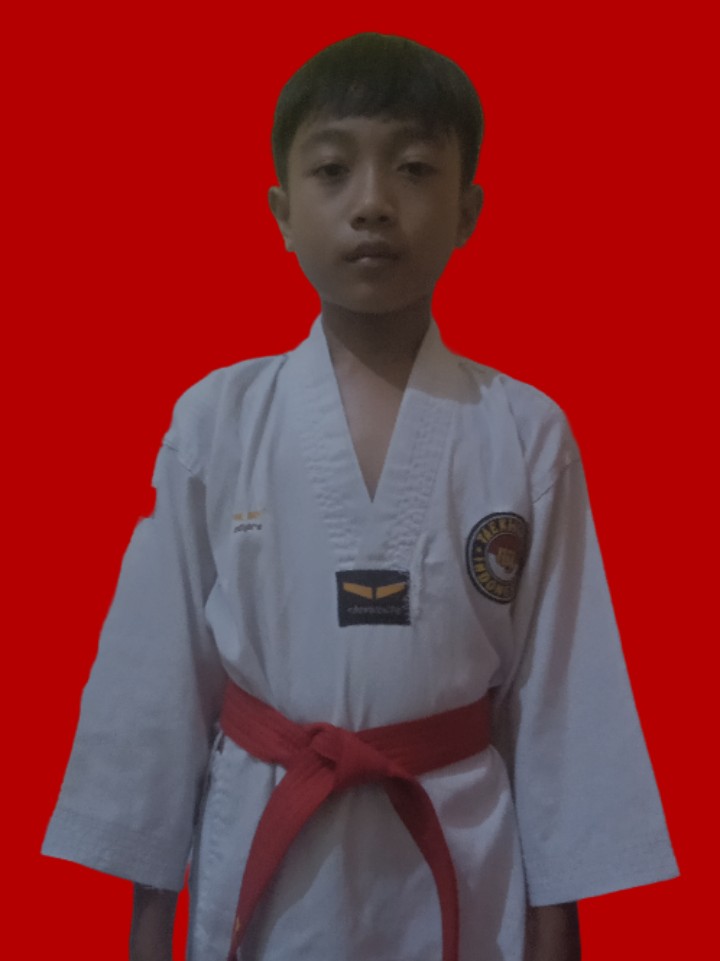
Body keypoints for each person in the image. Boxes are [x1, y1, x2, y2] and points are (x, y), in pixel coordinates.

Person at [43, 32, 678, 961]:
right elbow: (156, 680)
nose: (374, 202)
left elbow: (563, 695)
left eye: (414, 169)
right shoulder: (217, 419)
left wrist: (558, 923)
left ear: (467, 211)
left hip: (459, 852)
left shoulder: (524, 429)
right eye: (333, 170)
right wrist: (148, 924)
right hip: (267, 850)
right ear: (282, 211)